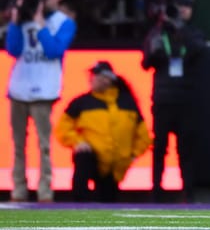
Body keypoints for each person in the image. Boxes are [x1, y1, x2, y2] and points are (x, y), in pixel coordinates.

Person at [5, 0, 76, 202]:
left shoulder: (64, 22)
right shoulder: (23, 19)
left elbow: (54, 50)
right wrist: (16, 21)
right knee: (18, 144)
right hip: (19, 86)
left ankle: (45, 190)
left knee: (44, 144)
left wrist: (40, 23)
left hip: (44, 88)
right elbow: (13, 49)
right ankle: (18, 189)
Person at [141, 0, 207, 203]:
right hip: (163, 99)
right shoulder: (158, 31)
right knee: (159, 147)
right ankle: (156, 193)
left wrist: (180, 30)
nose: (183, 11)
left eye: (187, 7)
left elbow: (199, 50)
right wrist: (161, 31)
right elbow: (146, 62)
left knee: (186, 149)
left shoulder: (194, 32)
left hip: (187, 99)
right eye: (180, 6)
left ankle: (189, 194)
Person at [54, 61, 151, 202]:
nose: (91, 79)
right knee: (83, 162)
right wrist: (78, 142)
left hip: (115, 167)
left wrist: (132, 155)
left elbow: (143, 136)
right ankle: (79, 203)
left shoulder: (127, 103)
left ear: (107, 79)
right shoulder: (81, 102)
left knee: (108, 200)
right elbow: (63, 128)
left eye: (95, 76)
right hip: (91, 158)